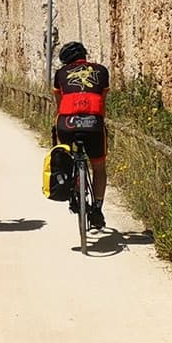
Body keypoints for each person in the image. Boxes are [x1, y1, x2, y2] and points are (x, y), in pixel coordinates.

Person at [51, 40, 109, 231]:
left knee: (66, 151)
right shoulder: (101, 71)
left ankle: (73, 183)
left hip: (67, 124)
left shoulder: (60, 74)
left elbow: (58, 103)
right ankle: (98, 208)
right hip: (93, 123)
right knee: (99, 166)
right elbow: (103, 100)